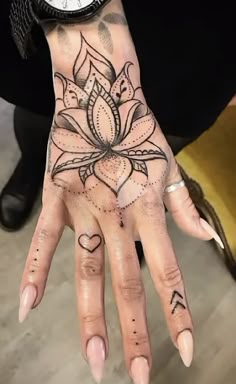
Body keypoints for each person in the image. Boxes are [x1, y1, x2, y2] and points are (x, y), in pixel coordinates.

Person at [0, 1, 235, 384]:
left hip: (203, 25)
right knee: (39, 96)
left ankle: (134, 212)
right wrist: (79, 22)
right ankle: (34, 164)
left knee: (171, 122)